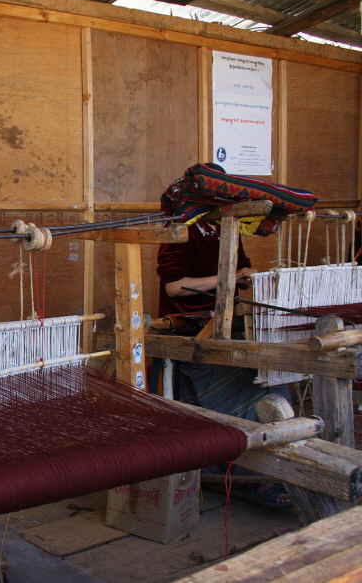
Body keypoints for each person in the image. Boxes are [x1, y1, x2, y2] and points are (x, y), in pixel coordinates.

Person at [157, 217, 292, 509]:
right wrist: (227, 278)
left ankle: (272, 467)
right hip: (189, 326)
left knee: (268, 379)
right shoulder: (181, 230)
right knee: (229, 393)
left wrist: (251, 277)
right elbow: (174, 287)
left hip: (226, 321)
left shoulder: (227, 227)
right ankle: (248, 473)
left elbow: (240, 268)